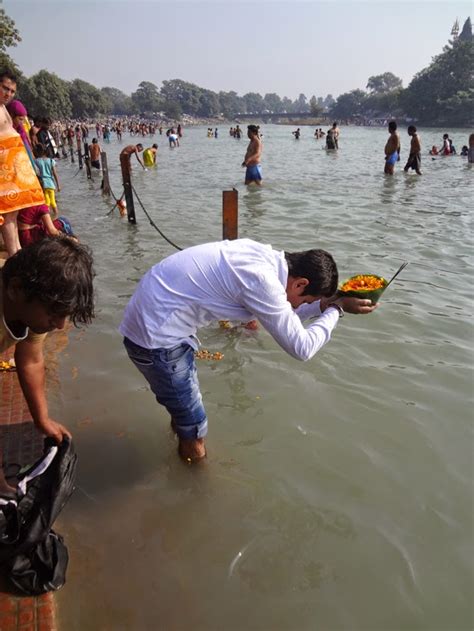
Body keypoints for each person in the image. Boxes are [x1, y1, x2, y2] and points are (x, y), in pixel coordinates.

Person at [120, 238, 377, 462]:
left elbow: (289, 314)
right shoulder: (262, 281)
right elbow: (302, 348)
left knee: (184, 412)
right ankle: (196, 486)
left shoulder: (264, 258)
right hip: (155, 340)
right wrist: (336, 309)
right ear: (300, 283)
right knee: (195, 428)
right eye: (307, 299)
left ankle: (181, 435)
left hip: (155, 323)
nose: (303, 304)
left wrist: (327, 305)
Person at [0, 238, 94, 447]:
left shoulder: (31, 306)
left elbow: (31, 360)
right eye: (54, 313)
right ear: (16, 289)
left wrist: (41, 420)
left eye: (65, 315)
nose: (60, 326)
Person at [0, 70, 45, 257]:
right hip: (5, 164)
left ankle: (17, 252)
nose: (8, 94)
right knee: (8, 213)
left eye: (11, 91)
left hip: (14, 164)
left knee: (15, 212)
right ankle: (13, 256)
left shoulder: (3, 107)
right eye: (5, 88)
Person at [35, 144, 61, 213]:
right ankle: (56, 215)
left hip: (43, 184)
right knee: (53, 201)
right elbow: (55, 173)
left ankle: (48, 217)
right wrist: (58, 185)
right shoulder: (51, 161)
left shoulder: (37, 161)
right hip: (51, 184)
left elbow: (36, 173)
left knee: (47, 202)